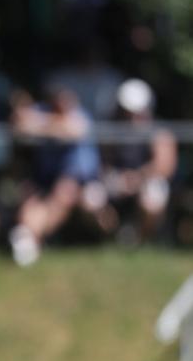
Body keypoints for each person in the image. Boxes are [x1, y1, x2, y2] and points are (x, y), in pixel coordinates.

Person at [9, 86, 101, 266]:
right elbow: (19, 123)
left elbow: (74, 129)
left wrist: (41, 125)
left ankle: (29, 238)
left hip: (80, 180)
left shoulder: (81, 116)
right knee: (29, 200)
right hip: (44, 179)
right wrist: (53, 125)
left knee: (63, 193)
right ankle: (28, 237)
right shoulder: (43, 110)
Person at [100, 78, 177, 244]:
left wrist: (138, 177)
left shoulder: (159, 131)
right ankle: (116, 238)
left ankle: (138, 240)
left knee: (153, 199)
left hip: (146, 181)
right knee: (92, 199)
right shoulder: (112, 129)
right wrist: (118, 178)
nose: (131, 117)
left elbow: (165, 166)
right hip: (116, 179)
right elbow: (102, 163)